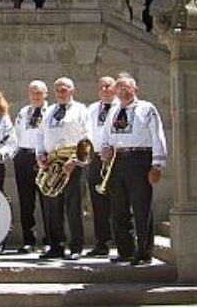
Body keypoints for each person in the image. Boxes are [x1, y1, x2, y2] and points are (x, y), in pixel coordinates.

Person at [100, 75, 167, 266]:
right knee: (118, 208)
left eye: (126, 87)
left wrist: (156, 165)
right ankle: (125, 250)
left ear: (135, 89)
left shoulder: (147, 109)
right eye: (119, 87)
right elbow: (105, 136)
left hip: (140, 159)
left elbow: (157, 136)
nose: (122, 90)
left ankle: (144, 252)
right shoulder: (112, 110)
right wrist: (105, 148)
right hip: (117, 161)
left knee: (141, 207)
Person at [35, 77, 90, 260]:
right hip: (52, 163)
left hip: (72, 163)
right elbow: (40, 134)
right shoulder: (49, 111)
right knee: (52, 207)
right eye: (57, 89)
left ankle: (76, 247)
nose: (60, 92)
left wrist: (75, 160)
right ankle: (56, 246)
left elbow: (87, 137)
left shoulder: (81, 110)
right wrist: (40, 155)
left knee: (73, 207)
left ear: (72, 90)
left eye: (64, 89)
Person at [12, 79, 50, 253]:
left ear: (46, 94)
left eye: (39, 92)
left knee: (48, 202)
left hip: (45, 159)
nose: (36, 95)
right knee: (26, 202)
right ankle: (29, 241)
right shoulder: (23, 112)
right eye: (33, 92)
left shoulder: (51, 112)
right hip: (25, 157)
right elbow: (17, 134)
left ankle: (50, 240)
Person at [85, 76, 117, 257]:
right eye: (101, 86)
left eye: (108, 86)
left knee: (120, 201)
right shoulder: (91, 109)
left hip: (116, 158)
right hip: (96, 158)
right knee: (98, 203)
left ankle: (123, 242)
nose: (105, 89)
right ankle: (102, 243)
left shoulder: (121, 107)